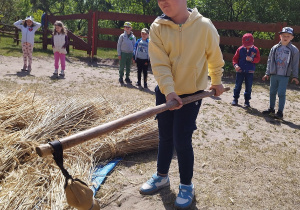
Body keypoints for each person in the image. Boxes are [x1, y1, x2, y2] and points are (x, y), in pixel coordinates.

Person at [139, 0, 226, 209]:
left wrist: (216, 80)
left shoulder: (204, 26)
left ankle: (186, 185)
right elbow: (159, 63)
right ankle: (162, 177)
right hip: (165, 92)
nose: (162, 2)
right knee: (165, 136)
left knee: (181, 139)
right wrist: (169, 92)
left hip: (192, 94)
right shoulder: (157, 27)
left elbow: (214, 56)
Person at [262, 27, 299, 119]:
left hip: (284, 76)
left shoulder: (294, 50)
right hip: (274, 74)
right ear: (280, 36)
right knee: (272, 92)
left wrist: (295, 76)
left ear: (292, 37)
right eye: (283, 35)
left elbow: (295, 64)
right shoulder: (274, 48)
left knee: (281, 93)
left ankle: (280, 112)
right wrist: (267, 73)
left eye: (288, 36)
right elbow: (269, 61)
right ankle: (271, 108)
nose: (285, 37)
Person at [231, 33, 261, 107]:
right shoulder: (240, 49)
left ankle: (247, 101)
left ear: (253, 41)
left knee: (248, 86)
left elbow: (258, 59)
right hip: (240, 70)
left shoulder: (255, 49)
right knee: (238, 85)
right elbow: (235, 59)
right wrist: (236, 65)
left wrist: (252, 59)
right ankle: (235, 99)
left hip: (250, 71)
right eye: (246, 44)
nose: (248, 45)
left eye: (249, 44)